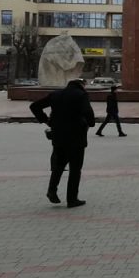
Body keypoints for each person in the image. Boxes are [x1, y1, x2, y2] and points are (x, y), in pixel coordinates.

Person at [30, 78, 95, 208]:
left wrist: (46, 120)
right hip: (76, 137)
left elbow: (34, 106)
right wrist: (90, 122)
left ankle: (52, 190)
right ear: (81, 85)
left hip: (58, 136)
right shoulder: (81, 95)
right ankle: (72, 199)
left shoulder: (56, 94)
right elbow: (87, 112)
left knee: (58, 166)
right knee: (75, 169)